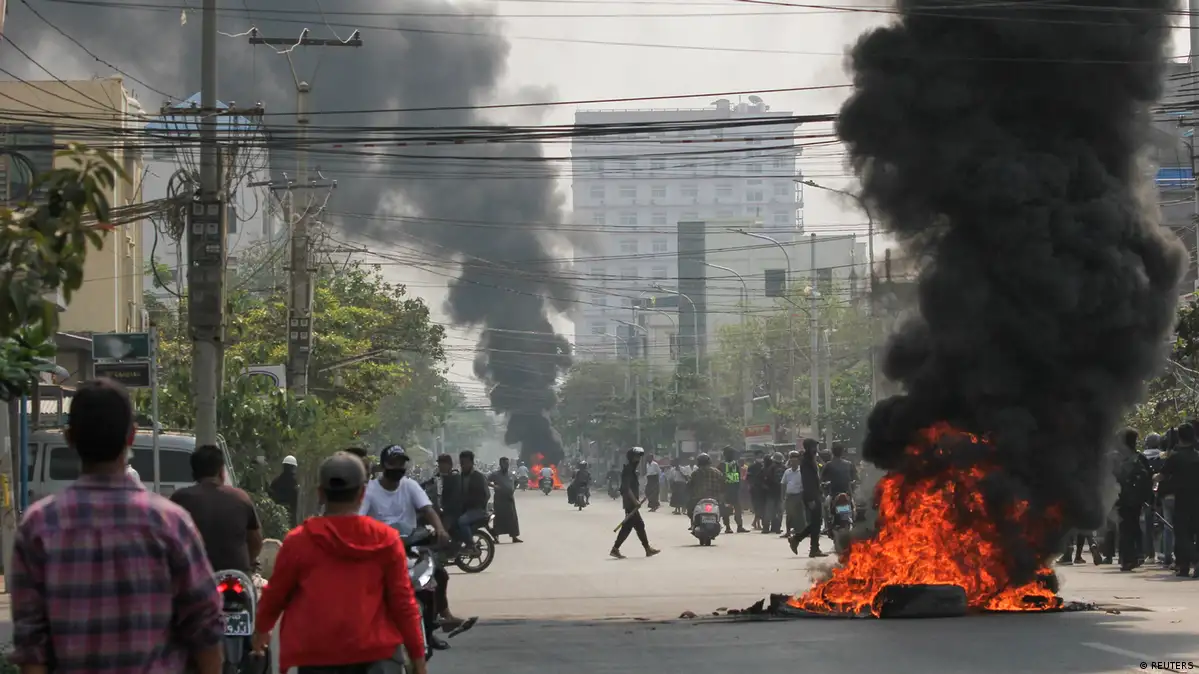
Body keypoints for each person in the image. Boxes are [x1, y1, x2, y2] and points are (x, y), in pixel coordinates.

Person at [9, 378, 223, 674]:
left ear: (69, 438)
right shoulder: (170, 523)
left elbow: (31, 647)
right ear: (131, 435)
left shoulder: (38, 527)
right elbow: (205, 625)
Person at [252, 452, 427, 674]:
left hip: (317, 657)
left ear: (320, 494)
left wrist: (261, 631)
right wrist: (418, 659)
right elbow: (403, 604)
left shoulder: (299, 541)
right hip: (376, 657)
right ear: (362, 493)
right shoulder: (386, 540)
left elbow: (275, 595)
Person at [360, 447, 463, 634]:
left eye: (401, 463)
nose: (398, 467)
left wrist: (440, 530)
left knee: (438, 574)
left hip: (411, 545)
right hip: (381, 549)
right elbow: (359, 519)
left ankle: (436, 621)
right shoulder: (370, 490)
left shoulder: (410, 485)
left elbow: (428, 509)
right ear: (383, 465)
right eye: (394, 463)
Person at [171, 444, 264, 574]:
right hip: (235, 576)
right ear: (221, 472)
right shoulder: (241, 498)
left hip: (195, 576)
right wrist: (249, 561)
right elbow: (256, 542)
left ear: (194, 473)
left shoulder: (179, 499)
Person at [1159, 421, 1199, 577]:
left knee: (1182, 534)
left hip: (1182, 499)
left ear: (1179, 437)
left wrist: (1154, 477)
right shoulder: (1197, 456)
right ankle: (1193, 564)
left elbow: (1162, 475)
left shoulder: (1175, 457)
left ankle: (1184, 564)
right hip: (1196, 500)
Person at [1114, 428, 1154, 571]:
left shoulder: (1118, 458)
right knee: (1135, 525)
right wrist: (1148, 498)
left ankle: (1127, 559)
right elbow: (1149, 478)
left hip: (1122, 498)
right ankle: (1138, 555)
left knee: (1125, 528)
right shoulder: (1140, 457)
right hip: (1136, 499)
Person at [611, 447, 660, 559]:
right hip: (630, 503)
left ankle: (645, 549)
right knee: (637, 525)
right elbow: (627, 488)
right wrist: (635, 501)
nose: (638, 459)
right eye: (636, 457)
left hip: (631, 502)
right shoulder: (628, 470)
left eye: (639, 457)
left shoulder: (632, 470)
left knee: (632, 526)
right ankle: (646, 549)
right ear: (631, 458)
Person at [789, 439, 827, 557]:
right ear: (810, 448)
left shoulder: (812, 459)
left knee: (816, 522)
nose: (816, 449)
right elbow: (807, 481)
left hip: (815, 494)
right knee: (816, 522)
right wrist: (811, 499)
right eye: (815, 447)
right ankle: (806, 544)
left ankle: (802, 542)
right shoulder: (806, 462)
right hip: (811, 495)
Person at [456, 451, 491, 544]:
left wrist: (477, 504)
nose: (463, 465)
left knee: (462, 521)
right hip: (464, 510)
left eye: (466, 462)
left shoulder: (479, 477)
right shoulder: (460, 477)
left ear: (471, 463)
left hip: (478, 510)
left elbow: (487, 495)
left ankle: (470, 545)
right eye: (462, 463)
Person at [487, 457, 523, 543]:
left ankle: (514, 537)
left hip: (509, 498)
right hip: (499, 499)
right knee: (498, 518)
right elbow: (486, 480)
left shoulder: (511, 474)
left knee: (512, 518)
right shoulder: (495, 474)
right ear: (500, 464)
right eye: (504, 464)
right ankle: (496, 538)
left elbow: (516, 482)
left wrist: (513, 489)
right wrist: (494, 486)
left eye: (507, 464)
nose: (506, 465)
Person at [718, 447, 749, 534]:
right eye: (730, 453)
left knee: (738, 509)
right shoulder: (721, 465)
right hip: (725, 490)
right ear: (725, 455)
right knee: (726, 509)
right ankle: (728, 527)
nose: (732, 455)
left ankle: (740, 526)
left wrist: (740, 487)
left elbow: (738, 476)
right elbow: (719, 477)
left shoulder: (736, 464)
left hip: (735, 489)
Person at [781, 451, 807, 538]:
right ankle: (788, 532)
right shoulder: (787, 472)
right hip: (789, 496)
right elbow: (783, 484)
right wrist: (783, 496)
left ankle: (801, 531)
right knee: (789, 514)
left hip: (799, 495)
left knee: (800, 515)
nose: (793, 463)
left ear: (798, 461)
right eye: (792, 461)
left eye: (795, 461)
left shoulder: (802, 471)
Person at [270, 455, 300, 527]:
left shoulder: (276, 481)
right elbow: (294, 504)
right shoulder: (294, 483)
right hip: (288, 516)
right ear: (293, 467)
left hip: (276, 515)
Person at [761, 452, 786, 535]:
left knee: (769, 511)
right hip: (780, 493)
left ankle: (766, 528)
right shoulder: (785, 468)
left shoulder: (770, 468)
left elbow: (766, 479)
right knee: (779, 512)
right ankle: (777, 528)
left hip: (771, 492)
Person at [746, 449, 766, 529]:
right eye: (759, 456)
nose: (761, 457)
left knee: (762, 507)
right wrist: (752, 486)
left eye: (762, 456)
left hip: (763, 490)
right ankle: (757, 523)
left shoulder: (764, 466)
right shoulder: (751, 467)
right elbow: (748, 478)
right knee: (757, 507)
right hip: (755, 490)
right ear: (755, 457)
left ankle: (755, 522)